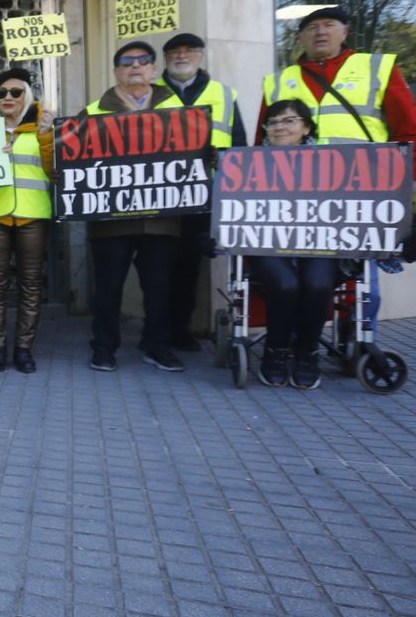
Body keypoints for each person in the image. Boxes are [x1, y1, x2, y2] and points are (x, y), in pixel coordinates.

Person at [258, 6, 416, 328]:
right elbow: (261, 144)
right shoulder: (278, 82)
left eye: (329, 25)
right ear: (300, 38)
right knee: (305, 275)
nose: (321, 32)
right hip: (297, 199)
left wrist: (413, 178)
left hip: (362, 194)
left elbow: (412, 129)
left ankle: (362, 338)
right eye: (312, 27)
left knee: (363, 283)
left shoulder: (376, 68)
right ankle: (299, 339)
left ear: (345, 32)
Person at [85, 41, 185, 373]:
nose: (135, 66)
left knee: (160, 288)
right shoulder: (93, 112)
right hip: (110, 220)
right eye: (127, 62)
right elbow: (74, 161)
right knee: (108, 288)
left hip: (162, 218)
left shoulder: (180, 110)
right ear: (116, 71)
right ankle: (103, 348)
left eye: (143, 61)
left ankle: (157, 346)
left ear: (154, 70)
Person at [157, 32, 245, 352]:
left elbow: (238, 145)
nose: (182, 56)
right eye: (175, 51)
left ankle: (180, 330)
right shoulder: (150, 92)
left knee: (189, 266)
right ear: (165, 58)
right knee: (157, 267)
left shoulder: (224, 94)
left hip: (204, 196)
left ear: (201, 55)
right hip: (158, 194)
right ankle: (158, 332)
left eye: (189, 50)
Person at [0, 69, 55, 373]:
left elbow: (54, 170)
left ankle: (24, 349)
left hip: (33, 215)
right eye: (1, 93)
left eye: (16, 92)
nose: (8, 98)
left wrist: (46, 136)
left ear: (26, 96)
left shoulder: (43, 123)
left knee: (31, 284)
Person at [247, 99, 336, 389]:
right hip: (268, 244)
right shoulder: (248, 164)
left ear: (306, 127)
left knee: (319, 284)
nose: (280, 127)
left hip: (318, 243)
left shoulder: (331, 163)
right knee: (286, 284)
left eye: (289, 121)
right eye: (273, 122)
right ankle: (275, 351)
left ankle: (307, 353)